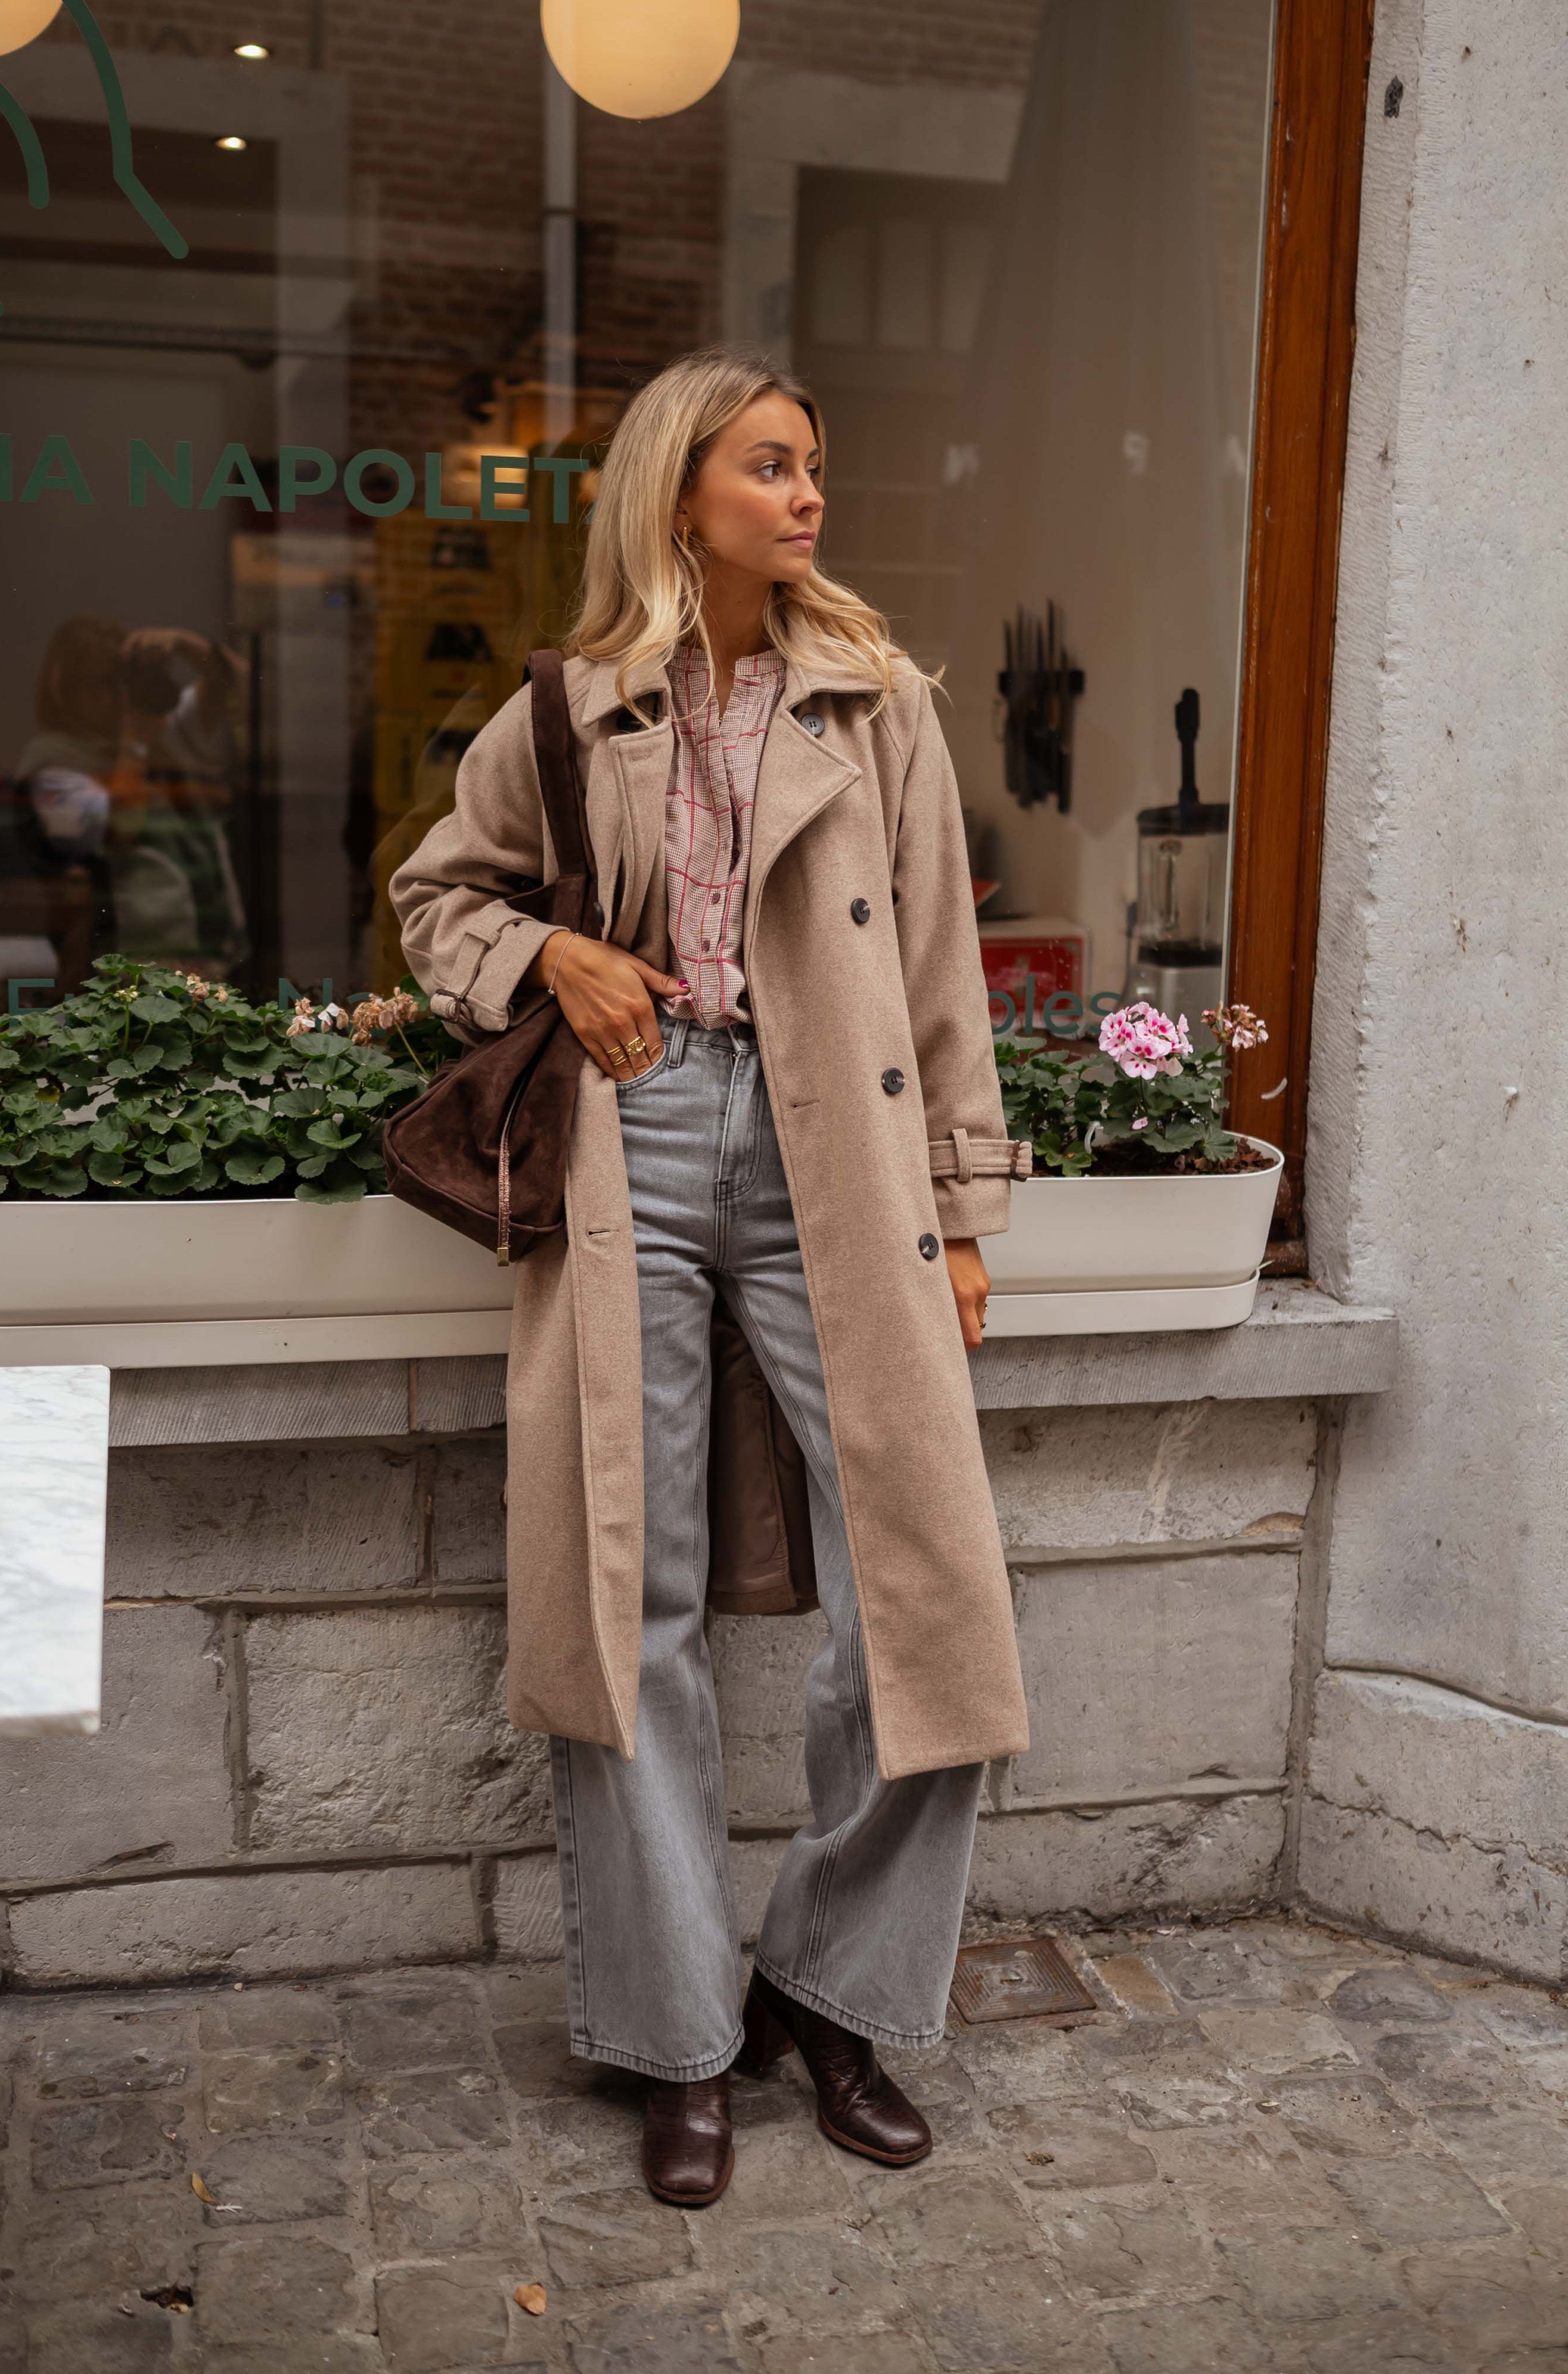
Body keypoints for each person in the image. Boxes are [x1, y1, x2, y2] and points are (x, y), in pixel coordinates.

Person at [391, 346, 1029, 2206]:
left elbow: (938, 963)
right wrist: (549, 962)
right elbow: (438, 898)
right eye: (770, 465)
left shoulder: (876, 700)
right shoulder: (569, 705)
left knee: (927, 1600)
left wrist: (966, 1209)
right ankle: (677, 2034)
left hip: (840, 1146)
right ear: (682, 493)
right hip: (635, 1143)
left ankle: (822, 1988)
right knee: (629, 1593)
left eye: (814, 464)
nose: (807, 494)